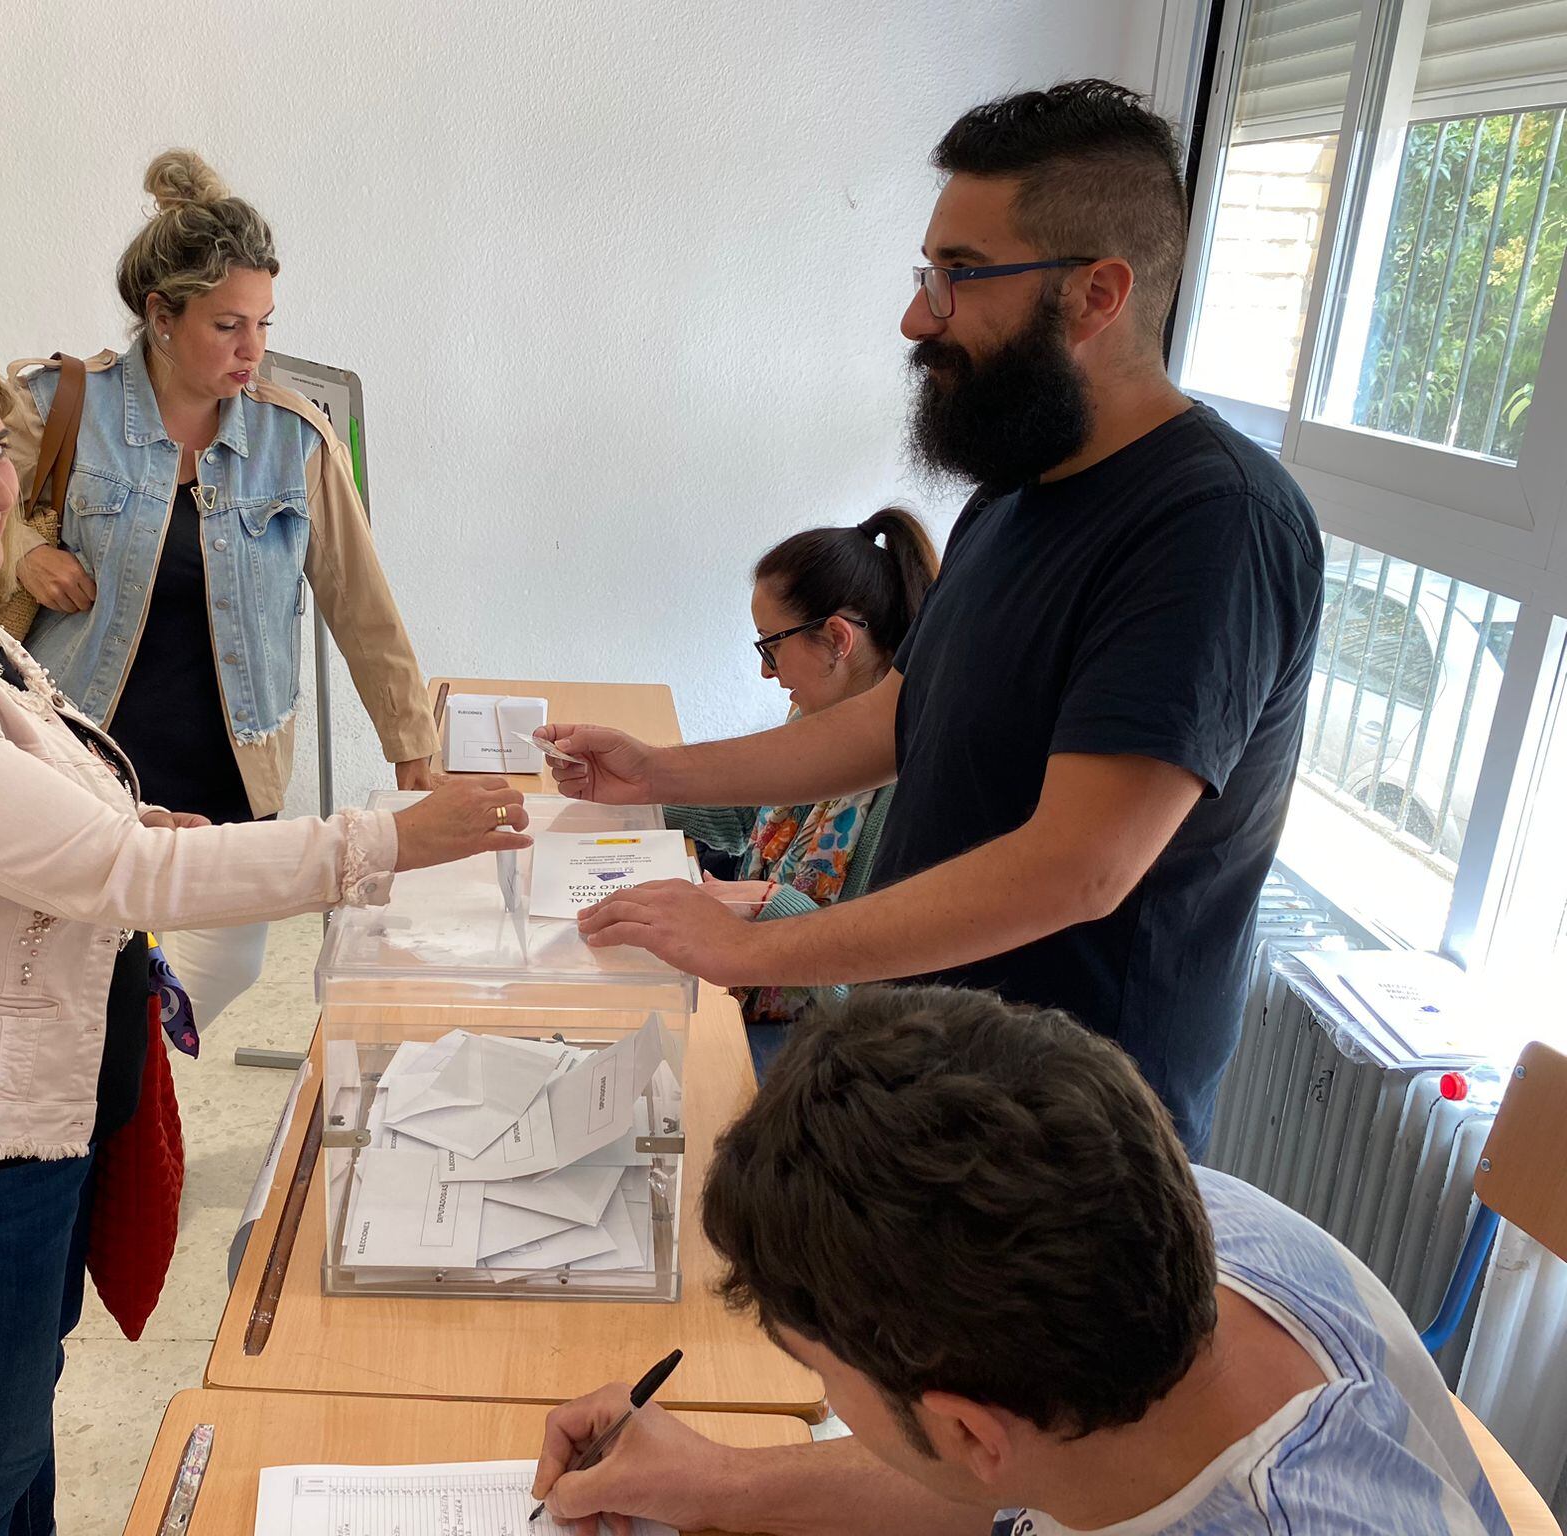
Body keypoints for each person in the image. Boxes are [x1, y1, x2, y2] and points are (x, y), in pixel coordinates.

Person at [0, 303, 528, 1536]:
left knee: (11, 1426)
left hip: (16, 1110)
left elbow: (67, 805)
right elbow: (112, 876)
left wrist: (149, 826)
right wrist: (384, 841)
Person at [544, 80, 1324, 1151]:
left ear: (1095, 295)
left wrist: (751, 949)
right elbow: (899, 722)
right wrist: (662, 774)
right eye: (928, 273)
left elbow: (1079, 867)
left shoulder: (1213, 525)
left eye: (960, 276)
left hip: (1060, 1141)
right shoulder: (1013, 492)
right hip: (931, 1065)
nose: (918, 317)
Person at [532, 987, 1510, 1536]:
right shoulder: (1173, 1218)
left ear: (964, 1427)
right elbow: (1010, 1475)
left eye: (824, 1379)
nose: (827, 1395)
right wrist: (724, 1485)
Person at [5, 148, 442, 1040]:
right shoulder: (55, 407)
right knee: (78, 966)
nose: (255, 351)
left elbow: (363, 607)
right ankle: (114, 1128)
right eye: (229, 326)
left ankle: (132, 1089)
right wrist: (20, 554)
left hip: (231, 751)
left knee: (225, 961)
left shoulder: (295, 441)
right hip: (79, 743)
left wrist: (413, 748)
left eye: (265, 325)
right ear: (160, 317)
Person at [665, 507, 936, 1075]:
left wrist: (768, 906)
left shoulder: (914, 783)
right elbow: (746, 816)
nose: (768, 672)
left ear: (837, 638)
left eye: (772, 646)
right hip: (754, 986)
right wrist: (640, 790)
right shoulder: (809, 718)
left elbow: (874, 992)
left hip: (822, 1048)